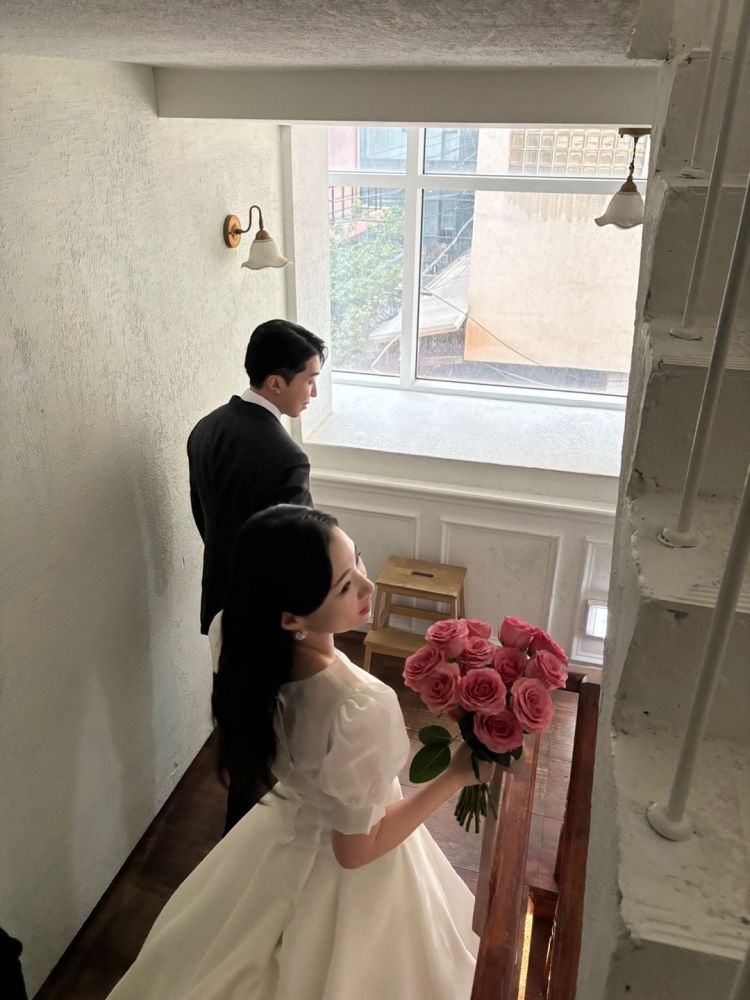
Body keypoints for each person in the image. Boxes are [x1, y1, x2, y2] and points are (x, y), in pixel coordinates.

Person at [107, 505, 489, 1000]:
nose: (368, 585)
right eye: (345, 586)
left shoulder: (235, 634)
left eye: (358, 560)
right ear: (290, 617)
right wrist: (453, 776)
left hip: (282, 830)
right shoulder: (360, 704)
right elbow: (356, 850)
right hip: (351, 859)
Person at [188, 319, 326, 637]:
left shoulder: (205, 428)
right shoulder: (288, 458)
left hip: (219, 598)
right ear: (276, 383)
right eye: (310, 380)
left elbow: (204, 516)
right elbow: (297, 552)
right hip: (267, 613)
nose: (315, 392)